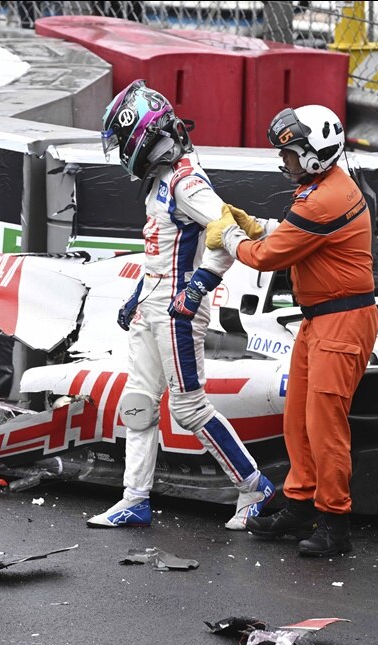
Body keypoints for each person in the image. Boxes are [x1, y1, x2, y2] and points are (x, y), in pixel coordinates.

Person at [87, 79, 276, 530]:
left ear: (142, 136)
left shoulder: (187, 182)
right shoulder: (165, 177)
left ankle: (255, 487)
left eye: (123, 141)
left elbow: (227, 233)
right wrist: (136, 296)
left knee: (188, 408)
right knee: (138, 401)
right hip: (154, 304)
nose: (121, 153)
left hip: (176, 311)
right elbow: (161, 250)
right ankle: (134, 499)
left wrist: (197, 289)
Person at [205, 104, 378, 557]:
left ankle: (335, 524)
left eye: (290, 153)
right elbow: (293, 233)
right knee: (298, 418)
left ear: (315, 154)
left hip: (341, 322)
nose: (284, 161)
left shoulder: (323, 198)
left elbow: (266, 257)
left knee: (324, 427)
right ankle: (301, 505)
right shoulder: (323, 188)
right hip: (322, 319)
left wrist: (230, 235)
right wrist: (254, 225)